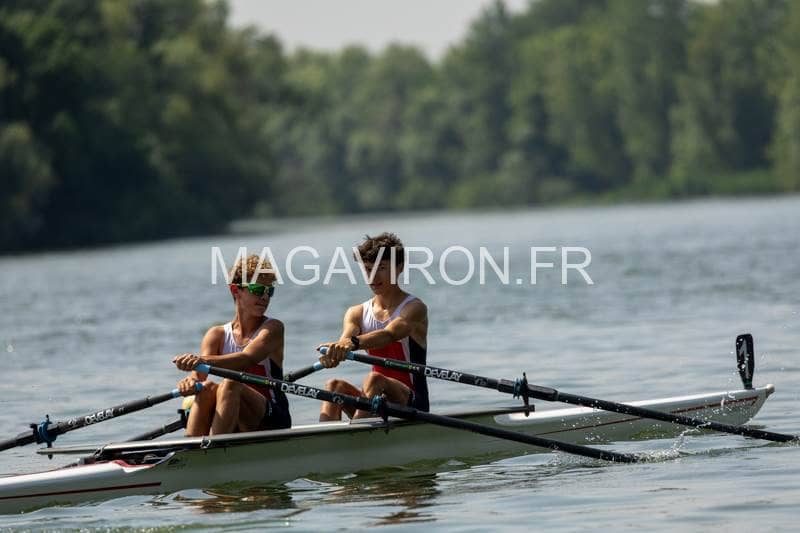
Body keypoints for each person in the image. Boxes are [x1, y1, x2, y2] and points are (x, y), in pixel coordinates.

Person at [173, 254, 291, 436]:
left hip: (273, 418)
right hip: (238, 414)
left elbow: (246, 359)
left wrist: (200, 360)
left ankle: (214, 446)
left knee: (231, 383)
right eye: (258, 289)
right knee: (207, 388)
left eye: (270, 291)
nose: (265, 297)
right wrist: (189, 382)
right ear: (236, 290)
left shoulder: (273, 328)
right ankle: (190, 448)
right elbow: (198, 377)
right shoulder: (216, 335)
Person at [318, 232, 429, 421]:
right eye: (368, 269)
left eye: (381, 268)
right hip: (375, 399)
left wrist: (351, 344)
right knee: (334, 386)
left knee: (374, 379)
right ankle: (324, 436)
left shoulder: (414, 308)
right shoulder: (356, 313)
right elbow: (346, 340)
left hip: (412, 402)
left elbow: (389, 334)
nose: (373, 276)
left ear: (400, 267)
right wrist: (334, 354)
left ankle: (358, 431)